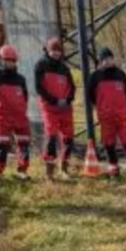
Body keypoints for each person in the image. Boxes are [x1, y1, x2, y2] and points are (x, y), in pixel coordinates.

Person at [86, 47, 126, 178]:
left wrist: (122, 106)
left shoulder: (120, 74)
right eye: (105, 59)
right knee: (109, 142)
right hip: (105, 117)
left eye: (110, 58)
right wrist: (102, 107)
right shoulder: (95, 77)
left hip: (121, 115)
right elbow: (90, 95)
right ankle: (113, 168)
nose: (108, 61)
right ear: (100, 61)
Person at [0, 44, 31, 181]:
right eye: (8, 60)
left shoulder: (20, 79)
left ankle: (22, 170)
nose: (10, 63)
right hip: (3, 117)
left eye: (13, 60)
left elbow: (25, 97)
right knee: (2, 144)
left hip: (20, 117)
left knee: (24, 143)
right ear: (0, 59)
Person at [34, 37, 76, 180]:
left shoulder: (64, 68)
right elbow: (39, 88)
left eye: (59, 51)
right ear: (48, 50)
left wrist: (68, 99)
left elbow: (72, 87)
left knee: (69, 138)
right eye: (54, 51)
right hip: (49, 107)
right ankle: (49, 172)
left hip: (65, 108)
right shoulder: (40, 65)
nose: (56, 54)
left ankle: (64, 168)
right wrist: (53, 100)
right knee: (51, 137)